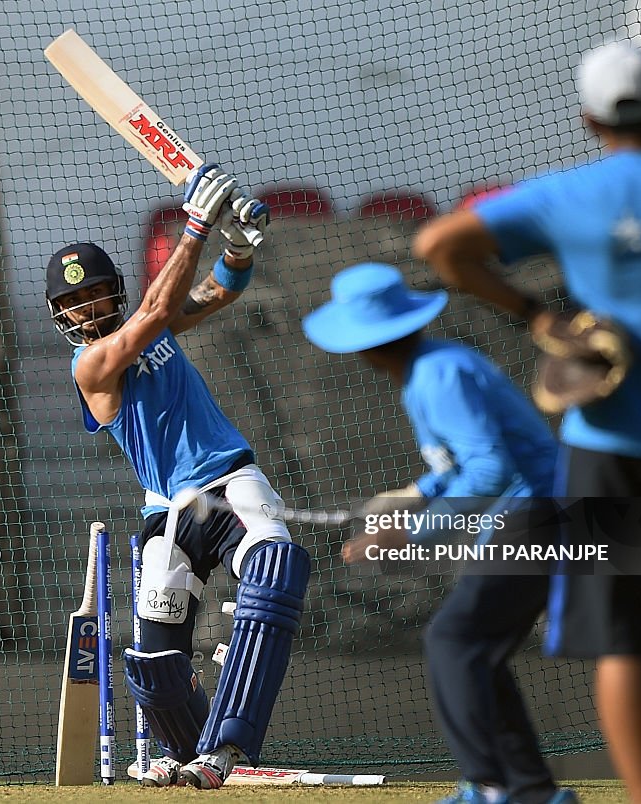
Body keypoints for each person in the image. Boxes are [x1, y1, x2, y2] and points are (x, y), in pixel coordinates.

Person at [415, 41, 641, 804]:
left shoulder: (568, 196)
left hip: (608, 455)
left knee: (622, 648)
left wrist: (539, 316)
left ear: (588, 119)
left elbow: (439, 245)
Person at [46, 164, 311, 789]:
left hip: (227, 483)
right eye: (71, 302)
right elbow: (161, 305)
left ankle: (223, 749)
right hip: (166, 512)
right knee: (153, 664)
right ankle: (190, 755)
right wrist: (195, 225)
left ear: (113, 293)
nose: (86, 310)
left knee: (276, 569)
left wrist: (239, 251)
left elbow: (214, 295)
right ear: (60, 314)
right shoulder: (94, 364)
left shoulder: (148, 329)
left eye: (94, 295)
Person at [302, 263, 574, 804]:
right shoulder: (429, 369)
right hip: (525, 513)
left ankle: (494, 787)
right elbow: (461, 462)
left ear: (367, 342)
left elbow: (491, 468)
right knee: (475, 648)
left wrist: (411, 534)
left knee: (454, 641)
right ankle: (531, 792)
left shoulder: (437, 375)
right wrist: (415, 491)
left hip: (536, 512)